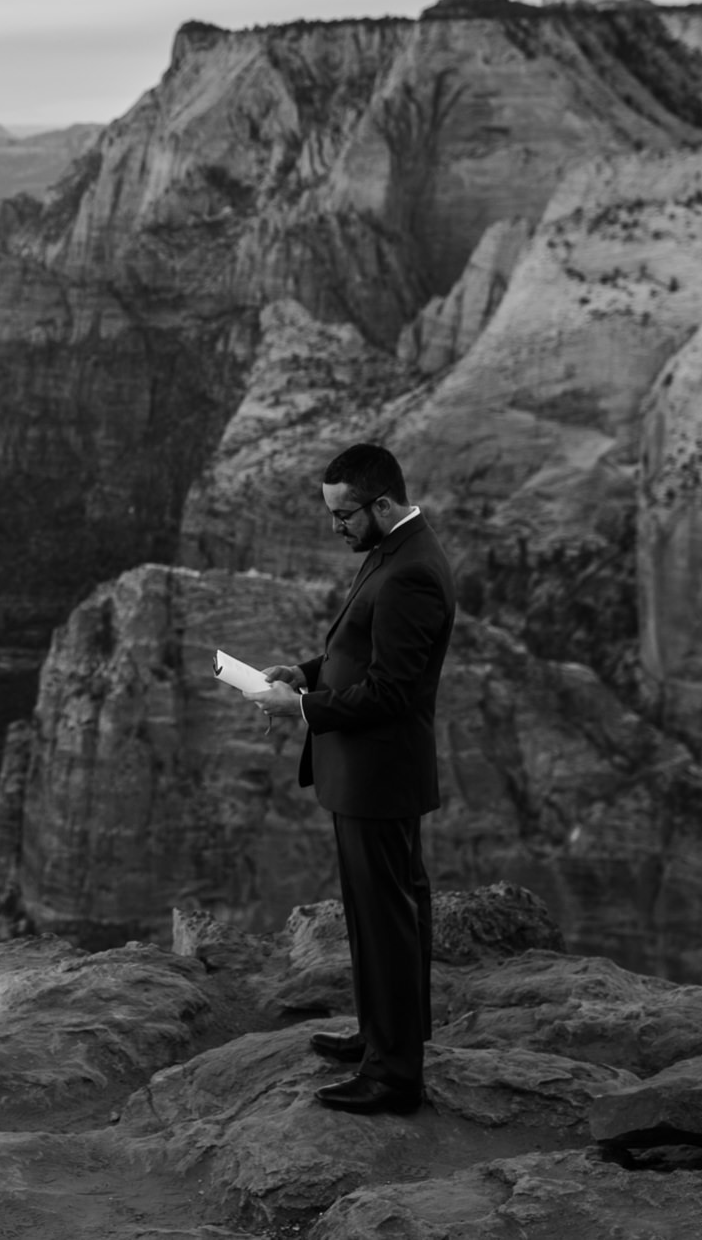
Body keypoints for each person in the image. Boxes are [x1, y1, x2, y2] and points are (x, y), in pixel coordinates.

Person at [240, 443, 453, 1115]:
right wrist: (304, 672)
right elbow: (356, 649)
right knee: (375, 911)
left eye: (344, 514)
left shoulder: (411, 572)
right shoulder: (391, 552)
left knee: (387, 915)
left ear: (382, 502)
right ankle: (383, 1036)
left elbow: (391, 690)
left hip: (379, 775)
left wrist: (299, 709)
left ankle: (395, 1076)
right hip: (365, 774)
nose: (336, 526)